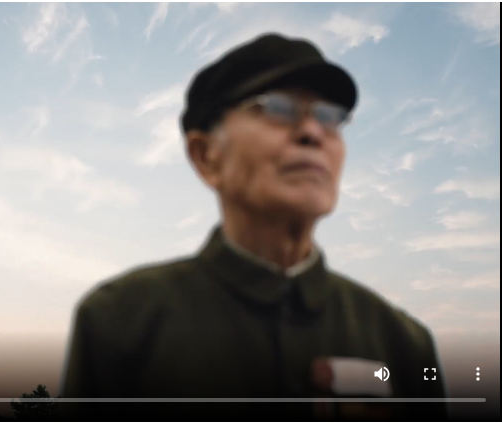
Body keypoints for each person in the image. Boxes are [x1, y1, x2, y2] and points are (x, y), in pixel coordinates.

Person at [60, 33, 448, 420]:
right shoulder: (119, 321)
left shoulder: (403, 344)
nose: (312, 132)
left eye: (329, 116)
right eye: (278, 107)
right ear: (206, 155)